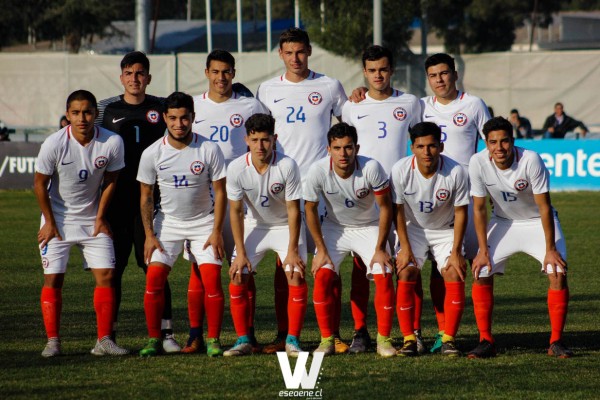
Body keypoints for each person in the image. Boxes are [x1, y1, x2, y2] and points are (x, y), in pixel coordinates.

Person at [350, 52, 491, 354]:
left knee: (458, 268)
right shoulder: (419, 105)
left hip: (456, 202)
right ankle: (404, 333)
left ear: (454, 74)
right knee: (390, 267)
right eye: (433, 75)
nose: (439, 80)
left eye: (444, 73)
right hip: (401, 202)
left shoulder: (474, 105)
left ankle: (462, 335)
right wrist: (359, 93)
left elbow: (490, 143)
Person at [257, 27, 348, 353]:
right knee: (286, 264)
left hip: (324, 188)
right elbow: (259, 135)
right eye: (289, 52)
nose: (295, 58)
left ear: (309, 51)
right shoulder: (267, 90)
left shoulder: (329, 86)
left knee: (328, 264)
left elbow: (349, 123)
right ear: (280, 54)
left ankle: (333, 335)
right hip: (284, 189)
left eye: (301, 52)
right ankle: (285, 334)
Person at [181, 50, 270, 354]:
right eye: (216, 72)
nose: (221, 78)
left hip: (243, 200)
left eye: (227, 72)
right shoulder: (193, 106)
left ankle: (248, 334)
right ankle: (196, 334)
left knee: (243, 269)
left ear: (234, 73)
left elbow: (266, 143)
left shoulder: (250, 106)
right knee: (199, 268)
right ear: (206, 72)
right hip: (203, 200)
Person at [34, 90, 128, 357]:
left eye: (87, 112)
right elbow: (39, 185)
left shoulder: (112, 142)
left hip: (91, 220)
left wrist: (100, 217)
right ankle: (53, 341)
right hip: (57, 220)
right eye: (75, 113)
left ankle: (104, 341)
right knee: (53, 279)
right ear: (68, 115)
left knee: (107, 275)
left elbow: (111, 180)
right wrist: (50, 223)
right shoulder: (53, 144)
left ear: (95, 114)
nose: (82, 118)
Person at [468, 116, 572, 359]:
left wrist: (550, 249)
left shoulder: (530, 159)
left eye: (504, 141)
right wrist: (482, 250)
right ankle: (485, 340)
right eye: (493, 142)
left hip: (537, 222)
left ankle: (556, 341)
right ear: (487, 143)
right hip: (503, 222)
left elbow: (544, 207)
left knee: (556, 271)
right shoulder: (477, 162)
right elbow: (480, 209)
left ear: (513, 141)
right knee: (481, 270)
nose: (499, 148)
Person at [97, 51, 180, 352]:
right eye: (129, 73)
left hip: (154, 204)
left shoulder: (161, 107)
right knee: (113, 269)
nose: (134, 78)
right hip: (116, 205)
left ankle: (167, 334)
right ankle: (109, 337)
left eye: (140, 73)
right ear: (121, 77)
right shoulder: (104, 109)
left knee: (154, 266)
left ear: (148, 77)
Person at [341, 45, 421, 353]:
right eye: (372, 70)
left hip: (402, 196)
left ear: (392, 70)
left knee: (408, 264)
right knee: (362, 266)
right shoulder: (352, 106)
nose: (378, 75)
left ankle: (412, 331)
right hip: (363, 197)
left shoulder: (411, 103)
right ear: (364, 72)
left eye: (383, 69)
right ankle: (361, 332)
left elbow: (420, 140)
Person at [136, 92, 227, 357]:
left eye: (184, 118)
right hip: (168, 224)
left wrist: (216, 231)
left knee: (211, 279)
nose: (179, 124)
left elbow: (220, 192)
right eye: (173, 118)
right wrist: (149, 235)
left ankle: (213, 340)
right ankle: (154, 339)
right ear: (164, 118)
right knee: (154, 278)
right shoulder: (152, 153)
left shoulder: (209, 149)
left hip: (203, 223)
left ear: (193, 118)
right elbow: (146, 197)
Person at [304, 122, 396, 358]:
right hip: (336, 229)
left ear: (357, 147)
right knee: (323, 276)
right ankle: (327, 340)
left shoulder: (371, 168)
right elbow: (310, 210)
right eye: (337, 148)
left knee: (383, 274)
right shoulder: (317, 171)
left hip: (369, 227)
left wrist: (379, 248)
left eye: (347, 148)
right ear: (328, 149)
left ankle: (383, 340)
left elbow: (386, 208)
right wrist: (321, 249)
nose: (342, 154)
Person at [224, 113, 308, 357]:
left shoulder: (287, 165)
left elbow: (294, 210)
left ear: (274, 139)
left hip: (285, 226)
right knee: (238, 273)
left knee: (295, 274)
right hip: (255, 225)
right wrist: (240, 252)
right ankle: (243, 340)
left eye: (265, 140)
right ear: (246, 140)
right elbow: (236, 211)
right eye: (255, 140)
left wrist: (292, 251)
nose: (260, 146)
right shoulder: (237, 168)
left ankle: (292, 340)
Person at [391, 122, 469, 357]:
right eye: (421, 146)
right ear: (412, 147)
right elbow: (397, 210)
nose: (427, 152)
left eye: (432, 146)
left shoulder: (456, 171)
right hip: (413, 229)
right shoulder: (400, 170)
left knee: (453, 272)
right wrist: (404, 247)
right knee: (406, 271)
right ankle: (409, 339)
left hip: (445, 230)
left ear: (441, 146)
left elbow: (461, 212)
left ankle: (448, 339)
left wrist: (456, 251)